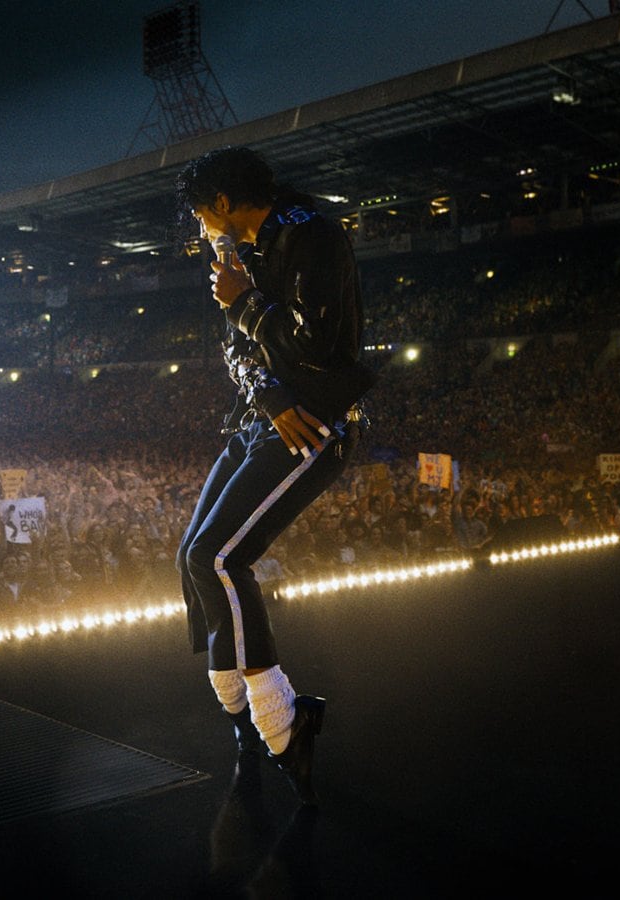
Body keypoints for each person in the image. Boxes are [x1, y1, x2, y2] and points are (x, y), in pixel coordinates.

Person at [174, 146, 374, 805]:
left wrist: (246, 302)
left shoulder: (309, 234)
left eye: (203, 210)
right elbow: (235, 348)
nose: (200, 223)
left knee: (221, 558)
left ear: (226, 203)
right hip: (270, 416)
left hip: (316, 424)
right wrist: (267, 392)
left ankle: (284, 723)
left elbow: (314, 346)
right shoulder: (244, 249)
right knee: (192, 556)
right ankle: (236, 701)